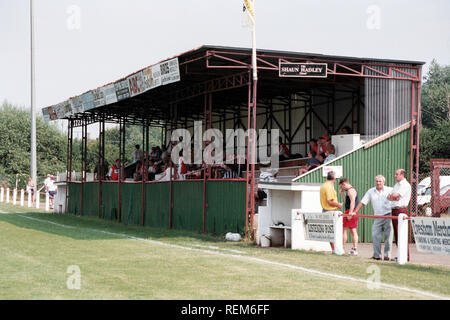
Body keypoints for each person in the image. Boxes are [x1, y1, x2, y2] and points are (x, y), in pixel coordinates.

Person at [354, 175, 393, 261]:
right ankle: (376, 256)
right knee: (375, 236)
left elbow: (398, 199)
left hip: (388, 215)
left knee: (388, 237)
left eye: (380, 181)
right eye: (377, 181)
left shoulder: (390, 190)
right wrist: (355, 211)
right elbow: (363, 202)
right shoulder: (370, 191)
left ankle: (387, 256)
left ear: (384, 182)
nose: (378, 183)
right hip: (377, 216)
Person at [387, 169, 411, 261]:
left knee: (402, 233)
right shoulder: (397, 185)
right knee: (397, 234)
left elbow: (395, 195)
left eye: (397, 174)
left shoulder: (405, 185)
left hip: (401, 209)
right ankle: (400, 255)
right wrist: (393, 197)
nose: (395, 176)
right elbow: (389, 196)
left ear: (402, 175)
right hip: (394, 209)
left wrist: (394, 196)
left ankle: (406, 257)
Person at [320, 171, 343, 252]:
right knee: (334, 231)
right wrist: (338, 205)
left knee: (330, 231)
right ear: (334, 179)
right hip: (330, 210)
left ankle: (333, 249)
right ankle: (335, 249)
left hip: (325, 210)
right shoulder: (329, 187)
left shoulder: (323, 185)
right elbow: (330, 201)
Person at [339, 178, 359, 256]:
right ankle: (353, 248)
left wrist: (350, 213)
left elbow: (353, 202)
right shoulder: (350, 191)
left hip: (350, 212)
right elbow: (348, 201)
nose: (341, 189)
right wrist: (343, 194)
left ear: (344, 184)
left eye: (341, 187)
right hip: (351, 211)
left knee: (346, 230)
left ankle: (343, 247)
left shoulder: (351, 190)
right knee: (352, 231)